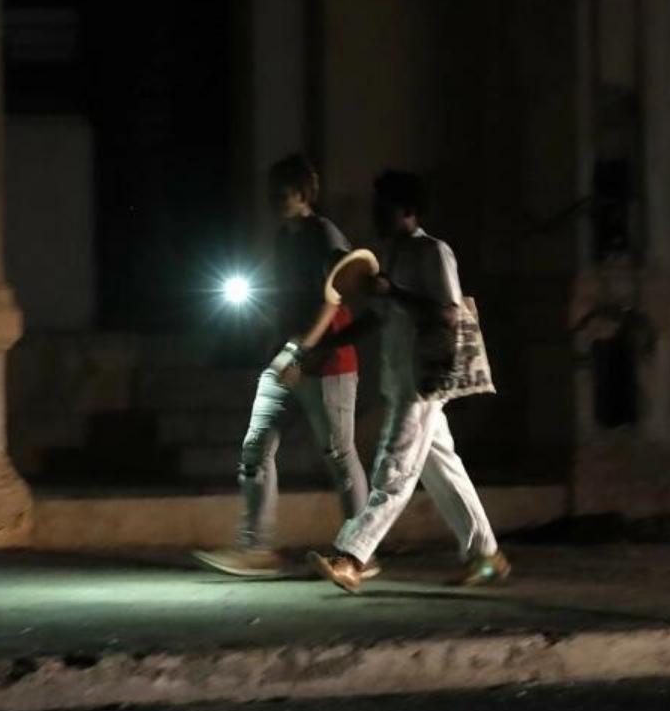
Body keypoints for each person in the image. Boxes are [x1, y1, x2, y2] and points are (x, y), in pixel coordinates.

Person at [298, 170, 508, 593]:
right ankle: (485, 555)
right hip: (403, 379)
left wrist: (391, 291)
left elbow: (448, 312)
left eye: (383, 206)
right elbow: (378, 317)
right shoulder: (392, 253)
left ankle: (353, 556)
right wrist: (330, 342)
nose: (375, 213)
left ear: (408, 211)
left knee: (394, 468)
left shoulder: (433, 252)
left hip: (423, 380)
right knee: (443, 468)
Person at [192, 154, 371, 579]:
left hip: (327, 360)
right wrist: (273, 340)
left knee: (339, 454)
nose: (275, 199)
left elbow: (334, 299)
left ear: (304, 194)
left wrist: (302, 351)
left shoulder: (324, 234)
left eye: (284, 193)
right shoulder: (283, 237)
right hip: (288, 353)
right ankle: (256, 546)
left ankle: (361, 551)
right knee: (256, 447)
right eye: (272, 192)